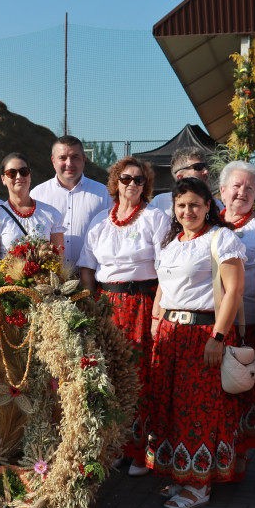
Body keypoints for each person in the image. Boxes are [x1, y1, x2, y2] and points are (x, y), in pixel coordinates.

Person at [147, 176, 246, 508]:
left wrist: (218, 337)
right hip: (170, 336)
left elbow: (233, 291)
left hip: (204, 334)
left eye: (195, 204)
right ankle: (180, 473)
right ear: (174, 209)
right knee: (171, 407)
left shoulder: (221, 239)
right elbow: (163, 288)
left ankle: (200, 484)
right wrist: (155, 321)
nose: (188, 211)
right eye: (181, 205)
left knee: (198, 410)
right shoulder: (171, 242)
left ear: (208, 207)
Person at [78, 157, 169, 476]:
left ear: (147, 186)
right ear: (116, 182)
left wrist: (158, 311)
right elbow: (87, 267)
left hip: (142, 302)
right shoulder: (100, 222)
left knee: (140, 375)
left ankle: (141, 450)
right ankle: (116, 446)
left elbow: (165, 268)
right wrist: (91, 306)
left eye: (140, 180)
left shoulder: (155, 218)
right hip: (108, 305)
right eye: (127, 179)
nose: (133, 184)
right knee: (111, 377)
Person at [216, 161, 255, 472]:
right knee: (221, 394)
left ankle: (241, 458)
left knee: (247, 389)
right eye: (236, 186)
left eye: (249, 188)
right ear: (222, 191)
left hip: (253, 321)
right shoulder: (208, 224)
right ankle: (224, 455)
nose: (242, 192)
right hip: (217, 325)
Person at [30, 136, 109, 270]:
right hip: (48, 281)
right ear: (53, 161)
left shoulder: (103, 194)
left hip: (91, 279)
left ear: (84, 160)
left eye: (75, 157)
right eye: (62, 158)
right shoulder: (37, 195)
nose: (69, 163)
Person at [0, 152, 65, 268]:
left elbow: (58, 262)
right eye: (11, 173)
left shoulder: (51, 213)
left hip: (43, 284)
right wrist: (17, 279)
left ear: (30, 175)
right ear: (3, 179)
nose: (19, 176)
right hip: (7, 283)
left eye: (24, 171)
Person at [151, 147, 222, 216]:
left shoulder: (216, 205)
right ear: (180, 177)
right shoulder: (160, 203)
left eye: (205, 166)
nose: (206, 171)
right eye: (198, 167)